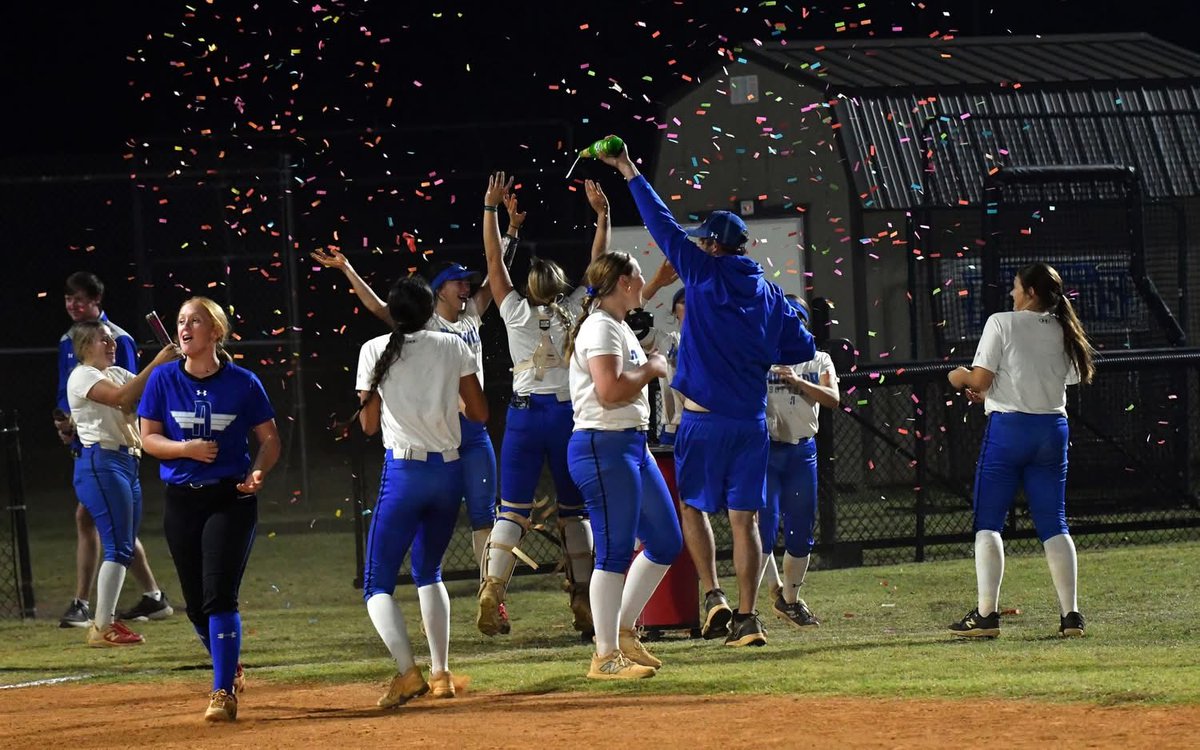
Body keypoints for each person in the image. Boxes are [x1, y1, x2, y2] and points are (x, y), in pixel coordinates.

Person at [598, 140, 815, 648]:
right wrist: (761, 343)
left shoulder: (702, 272)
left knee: (692, 510)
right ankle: (747, 618)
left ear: (715, 246)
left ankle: (713, 595)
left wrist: (629, 168)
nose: (695, 246)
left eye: (702, 242)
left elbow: (661, 224)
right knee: (746, 521)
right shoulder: (770, 294)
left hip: (701, 421)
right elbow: (802, 343)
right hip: (750, 423)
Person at [312, 236, 501, 576]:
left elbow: (497, 273)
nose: (466, 287)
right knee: (433, 523)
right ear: (440, 290)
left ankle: (490, 592)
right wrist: (347, 269)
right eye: (459, 281)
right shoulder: (426, 326)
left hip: (472, 431)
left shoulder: (471, 315)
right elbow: (379, 308)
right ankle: (429, 578)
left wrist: (511, 232)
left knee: (485, 515)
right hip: (442, 431)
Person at [475, 171, 608, 638]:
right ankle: (583, 601)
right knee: (576, 511)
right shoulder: (575, 308)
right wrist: (603, 216)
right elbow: (599, 265)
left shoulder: (514, 311)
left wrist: (492, 211)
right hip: (569, 416)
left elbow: (494, 261)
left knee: (511, 510)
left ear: (529, 288)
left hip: (524, 415)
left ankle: (493, 587)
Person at [139, 297, 280, 721]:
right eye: (181, 321)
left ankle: (222, 692)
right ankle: (229, 664)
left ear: (215, 332)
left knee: (219, 594)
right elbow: (149, 439)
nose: (185, 328)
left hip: (229, 499)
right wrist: (186, 449)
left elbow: (270, 440)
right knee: (196, 604)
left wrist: (258, 473)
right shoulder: (163, 379)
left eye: (194, 321)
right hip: (182, 500)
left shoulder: (243, 382)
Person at [357, 275, 488, 707]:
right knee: (428, 572)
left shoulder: (374, 350)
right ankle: (441, 674)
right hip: (448, 472)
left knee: (377, 584)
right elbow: (480, 413)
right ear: (430, 309)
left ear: (393, 313)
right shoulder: (453, 345)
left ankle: (407, 673)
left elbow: (369, 425)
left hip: (405, 474)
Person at [947, 261, 1093, 639]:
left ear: (1030, 292)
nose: (1012, 294)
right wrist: (994, 390)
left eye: (1016, 287)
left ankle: (986, 615)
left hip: (1010, 430)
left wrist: (958, 376)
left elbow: (979, 379)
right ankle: (1071, 616)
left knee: (988, 521)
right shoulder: (1065, 328)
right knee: (1054, 523)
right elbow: (1067, 377)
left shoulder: (1002, 322)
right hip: (1052, 429)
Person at [564, 251, 683, 680]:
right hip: (603, 446)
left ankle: (624, 632)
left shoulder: (614, 324)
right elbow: (610, 391)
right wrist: (653, 368)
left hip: (630, 445)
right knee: (613, 553)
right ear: (621, 283)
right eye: (635, 275)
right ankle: (605, 654)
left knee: (666, 541)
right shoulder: (600, 326)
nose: (641, 280)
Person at [55, 271, 174, 628]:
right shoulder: (84, 374)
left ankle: (145, 600)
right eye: (104, 341)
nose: (112, 344)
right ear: (86, 346)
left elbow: (142, 396)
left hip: (125, 461)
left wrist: (181, 365)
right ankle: (99, 620)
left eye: (110, 339)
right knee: (116, 541)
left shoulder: (116, 370)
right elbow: (124, 401)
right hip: (101, 459)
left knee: (120, 541)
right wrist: (157, 362)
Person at [757, 295, 839, 629]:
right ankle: (750, 605)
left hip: (802, 451)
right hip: (767, 450)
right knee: (762, 528)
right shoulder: (761, 356)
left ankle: (789, 600)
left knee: (800, 530)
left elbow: (833, 399)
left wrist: (796, 380)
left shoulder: (818, 359)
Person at [637, 263, 685, 445]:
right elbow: (626, 319)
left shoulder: (719, 340)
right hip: (674, 430)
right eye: (684, 302)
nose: (692, 307)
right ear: (674, 312)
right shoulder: (667, 341)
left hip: (712, 427)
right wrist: (656, 283)